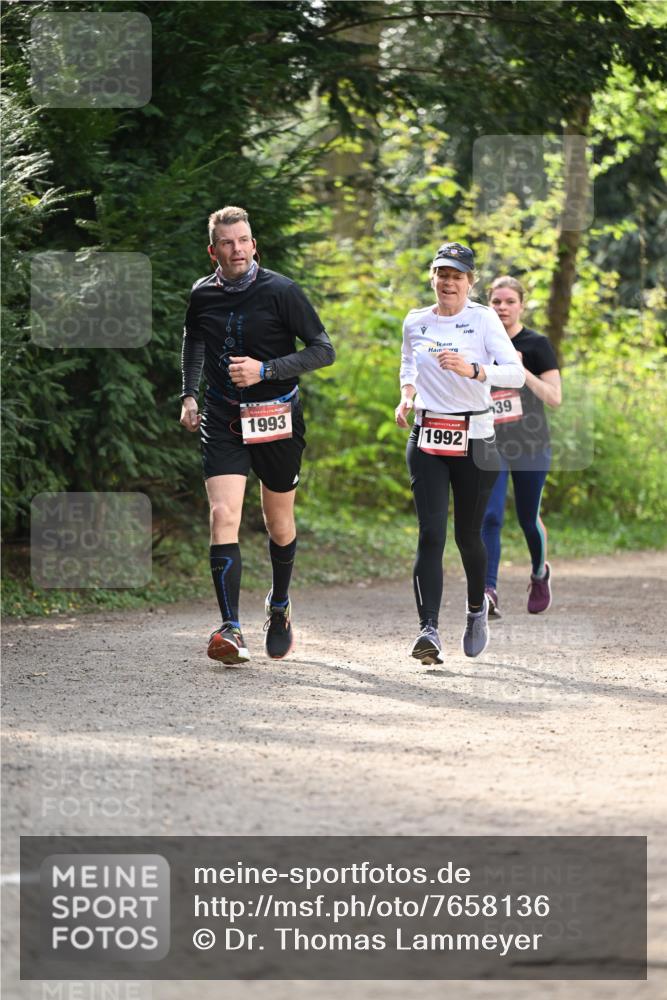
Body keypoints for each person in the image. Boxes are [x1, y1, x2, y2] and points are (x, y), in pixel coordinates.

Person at [180, 206, 335, 664]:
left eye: (244, 240)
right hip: (223, 416)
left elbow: (324, 350)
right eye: (228, 243)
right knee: (222, 513)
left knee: (278, 523)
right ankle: (230, 628)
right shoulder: (202, 294)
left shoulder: (282, 291)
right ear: (214, 251)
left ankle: (280, 605)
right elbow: (194, 339)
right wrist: (189, 394)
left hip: (276, 415)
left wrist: (265, 369)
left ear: (254, 245)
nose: (238, 249)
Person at [395, 243, 525, 665]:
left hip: (475, 436)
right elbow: (407, 364)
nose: (448, 282)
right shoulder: (415, 321)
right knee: (430, 534)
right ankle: (428, 631)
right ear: (431, 277)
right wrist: (407, 395)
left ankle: (474, 610)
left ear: (471, 282)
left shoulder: (484, 320)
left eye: (457, 276)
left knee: (467, 535)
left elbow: (516, 374)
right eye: (442, 274)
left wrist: (474, 370)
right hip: (428, 434)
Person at [481, 276, 562, 616]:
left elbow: (554, 398)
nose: (502, 307)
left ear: (521, 305)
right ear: (489, 305)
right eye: (496, 301)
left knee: (528, 518)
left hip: (530, 445)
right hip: (491, 443)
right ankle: (488, 591)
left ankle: (539, 573)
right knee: (490, 516)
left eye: (509, 301)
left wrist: (521, 368)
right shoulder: (481, 343)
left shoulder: (537, 344)